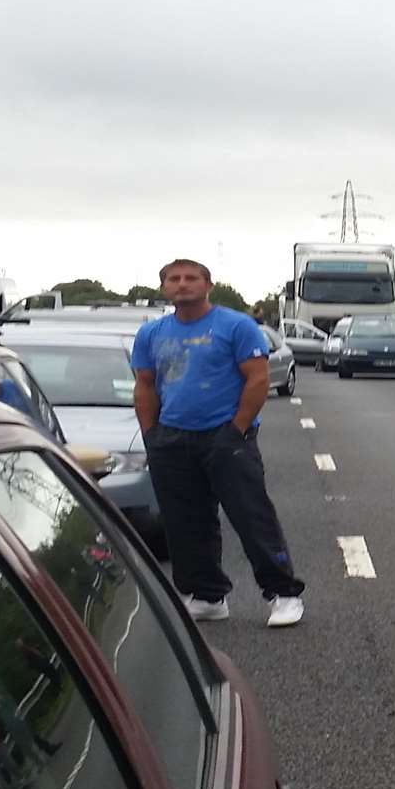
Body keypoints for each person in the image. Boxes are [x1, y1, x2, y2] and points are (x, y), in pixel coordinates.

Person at [132, 258, 307, 627]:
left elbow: (257, 380)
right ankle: (208, 595)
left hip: (226, 435)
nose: (182, 284)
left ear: (208, 284)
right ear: (163, 288)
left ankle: (283, 593)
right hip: (172, 436)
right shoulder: (152, 333)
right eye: (173, 279)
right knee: (185, 522)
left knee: (250, 514)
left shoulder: (236, 326)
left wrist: (237, 429)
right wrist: (151, 436)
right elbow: (145, 385)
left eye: (191, 278)